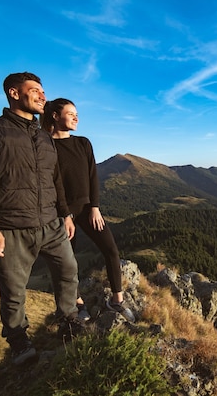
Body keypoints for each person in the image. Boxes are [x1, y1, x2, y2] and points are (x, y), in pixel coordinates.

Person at [0, 72, 83, 366]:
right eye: (36, 90)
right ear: (14, 93)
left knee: (69, 271)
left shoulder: (43, 136)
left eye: (43, 91)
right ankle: (18, 341)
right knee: (14, 291)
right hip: (10, 227)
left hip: (51, 224)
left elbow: (55, 180)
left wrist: (64, 214)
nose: (43, 95)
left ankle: (69, 320)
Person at [40, 98, 135, 322]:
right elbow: (54, 183)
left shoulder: (83, 143)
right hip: (60, 212)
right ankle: (77, 304)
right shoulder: (46, 146)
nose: (76, 118)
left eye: (77, 114)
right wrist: (65, 215)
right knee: (67, 262)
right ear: (55, 116)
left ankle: (117, 300)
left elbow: (93, 176)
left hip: (86, 207)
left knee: (111, 250)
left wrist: (95, 207)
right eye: (71, 113)